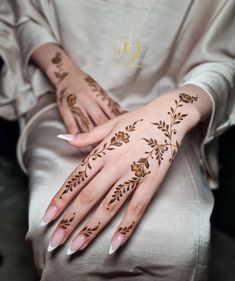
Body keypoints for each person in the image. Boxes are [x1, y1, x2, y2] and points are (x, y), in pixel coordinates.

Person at [1, 0, 235, 280]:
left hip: (171, 102)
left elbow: (226, 54)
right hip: (66, 99)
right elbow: (21, 15)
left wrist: (176, 110)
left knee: (176, 239)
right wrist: (65, 74)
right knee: (61, 236)